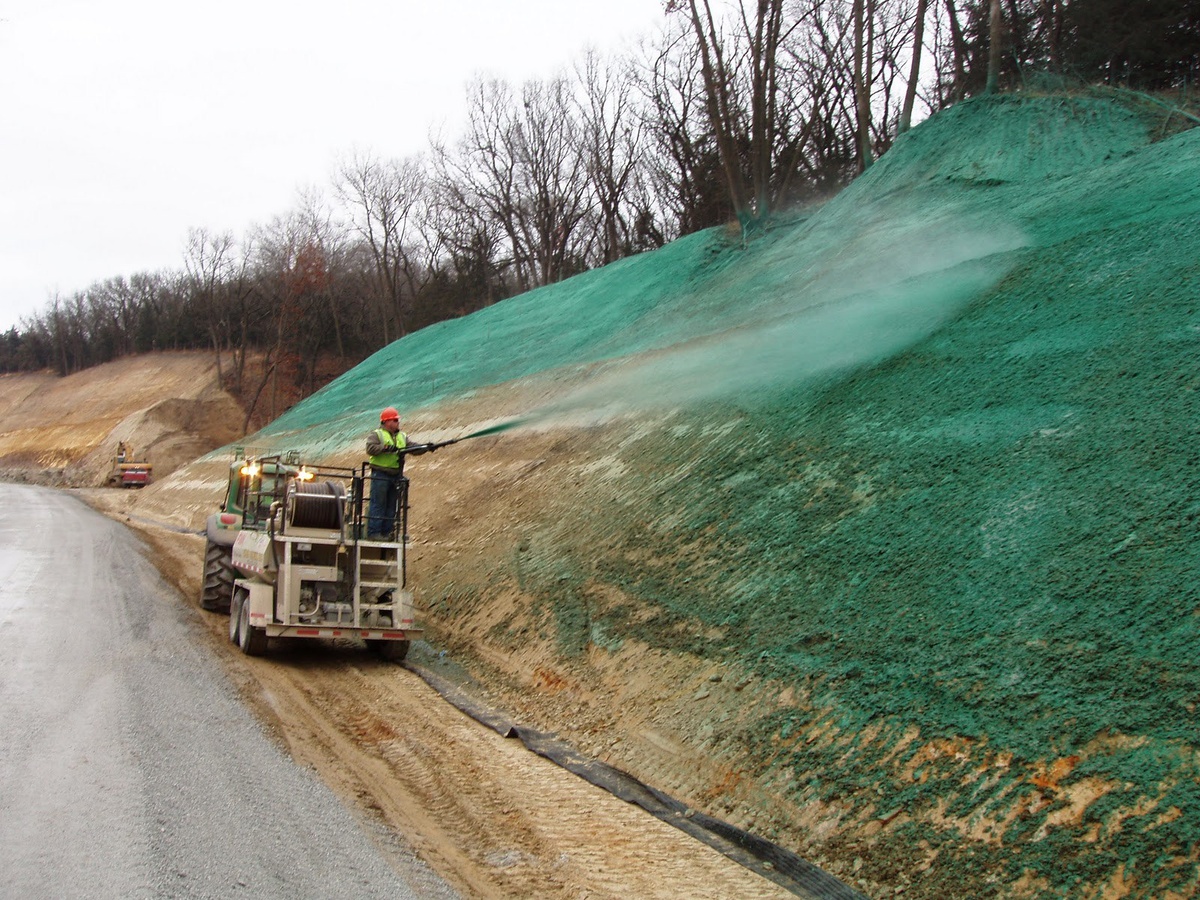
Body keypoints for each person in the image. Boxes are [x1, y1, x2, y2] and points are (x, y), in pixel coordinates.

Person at [365, 407, 435, 539]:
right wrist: (385, 448)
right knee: (379, 504)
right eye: (395, 420)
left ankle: (386, 533)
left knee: (392, 505)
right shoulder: (376, 434)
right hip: (380, 474)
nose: (398, 422)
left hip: (395, 475)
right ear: (387, 422)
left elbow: (412, 448)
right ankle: (374, 533)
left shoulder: (402, 436)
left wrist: (426, 447)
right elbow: (370, 448)